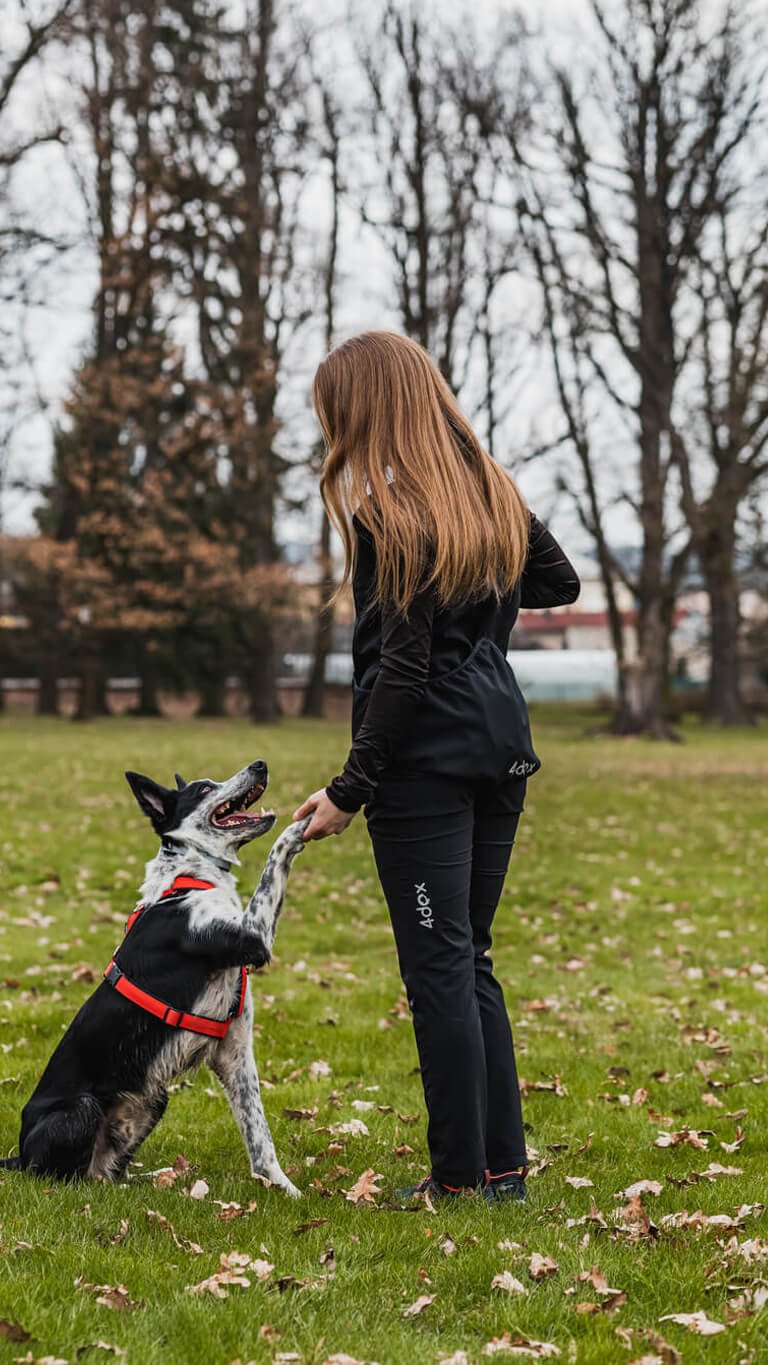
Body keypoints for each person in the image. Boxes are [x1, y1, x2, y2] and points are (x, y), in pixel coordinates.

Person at [294, 332, 580, 1204]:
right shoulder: (491, 492)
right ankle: (502, 1175)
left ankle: (460, 1178)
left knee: (440, 968)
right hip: (501, 745)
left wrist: (350, 788)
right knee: (469, 957)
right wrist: (476, 587)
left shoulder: (393, 514)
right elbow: (558, 581)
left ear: (365, 409)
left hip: (429, 764)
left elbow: (403, 672)